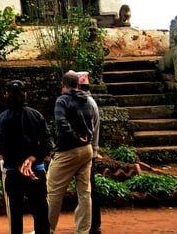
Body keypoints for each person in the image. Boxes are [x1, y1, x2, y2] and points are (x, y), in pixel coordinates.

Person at [47, 70, 100, 234]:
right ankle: (82, 231)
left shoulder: (62, 100)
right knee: (85, 193)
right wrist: (87, 139)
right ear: (77, 85)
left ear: (63, 85)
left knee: (53, 191)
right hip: (86, 150)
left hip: (67, 151)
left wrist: (75, 137)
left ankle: (46, 228)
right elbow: (93, 124)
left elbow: (60, 123)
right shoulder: (88, 100)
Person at [0, 79, 51, 234]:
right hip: (35, 171)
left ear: (6, 95)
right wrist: (32, 159)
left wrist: (20, 164)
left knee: (15, 213)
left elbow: (3, 146)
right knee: (40, 211)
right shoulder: (36, 115)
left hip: (13, 171)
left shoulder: (3, 118)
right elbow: (47, 143)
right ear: (25, 94)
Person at [77, 71, 102, 234]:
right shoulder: (89, 102)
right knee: (88, 189)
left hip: (86, 152)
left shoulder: (87, 103)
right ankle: (92, 223)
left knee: (88, 190)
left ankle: (92, 224)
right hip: (90, 151)